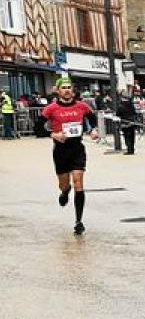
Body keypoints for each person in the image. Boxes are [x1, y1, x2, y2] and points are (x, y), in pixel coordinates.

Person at [36, 77, 99, 235]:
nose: (67, 90)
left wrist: (93, 130)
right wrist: (53, 134)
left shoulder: (82, 106)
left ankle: (79, 221)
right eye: (63, 87)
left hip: (77, 149)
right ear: (58, 90)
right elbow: (37, 128)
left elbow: (92, 117)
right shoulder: (51, 109)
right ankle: (65, 191)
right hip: (61, 151)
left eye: (69, 87)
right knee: (64, 184)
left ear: (73, 89)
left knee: (79, 183)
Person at [117, 91, 137, 155]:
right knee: (132, 136)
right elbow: (134, 113)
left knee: (126, 136)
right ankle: (132, 149)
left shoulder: (121, 106)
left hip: (124, 123)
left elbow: (118, 114)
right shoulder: (132, 105)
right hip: (132, 123)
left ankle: (129, 149)